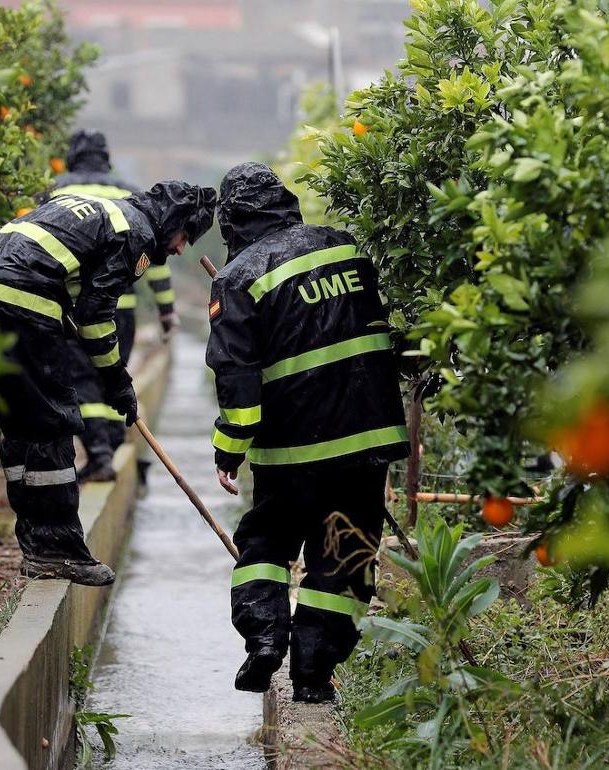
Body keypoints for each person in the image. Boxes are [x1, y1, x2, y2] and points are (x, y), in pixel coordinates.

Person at [206, 162, 408, 702]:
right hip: (366, 440)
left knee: (267, 541)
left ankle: (265, 639)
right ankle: (314, 678)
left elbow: (238, 381)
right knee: (345, 555)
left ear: (232, 222)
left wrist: (229, 451)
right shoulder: (345, 247)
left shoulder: (238, 278)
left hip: (291, 452)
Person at [0, 180, 217, 585]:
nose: (181, 249)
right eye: (186, 236)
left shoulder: (107, 213)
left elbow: (76, 300)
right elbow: (97, 316)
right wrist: (117, 380)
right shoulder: (134, 234)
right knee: (53, 422)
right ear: (172, 221)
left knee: (23, 425)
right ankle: (58, 551)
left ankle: (36, 546)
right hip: (23, 303)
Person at [43, 130, 180, 482]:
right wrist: (166, 311)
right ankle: (115, 443)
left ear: (72, 156)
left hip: (75, 308)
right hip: (124, 309)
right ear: (107, 157)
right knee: (112, 375)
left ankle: (101, 452)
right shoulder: (130, 193)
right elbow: (157, 260)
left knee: (82, 379)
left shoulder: (56, 190)